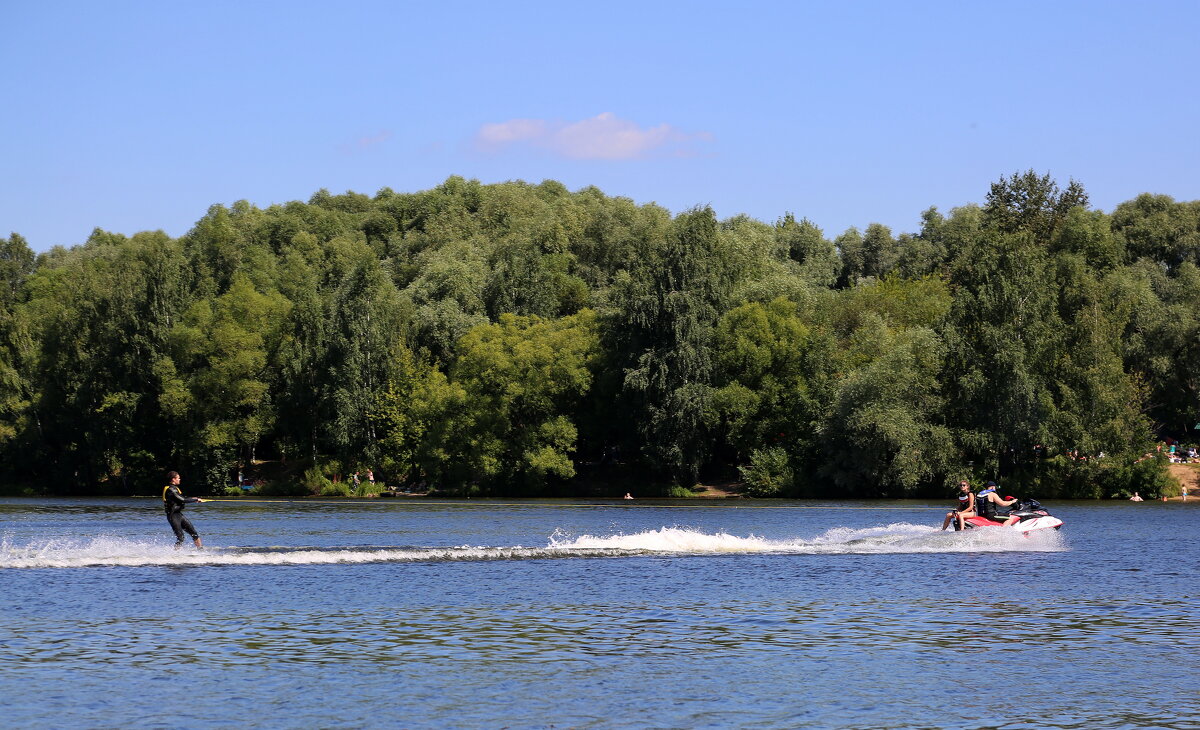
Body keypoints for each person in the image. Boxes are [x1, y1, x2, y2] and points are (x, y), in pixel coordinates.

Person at [163, 471, 205, 549]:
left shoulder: (175, 489)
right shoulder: (171, 490)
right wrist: (195, 499)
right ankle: (175, 553)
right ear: (173, 479)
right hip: (173, 516)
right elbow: (182, 499)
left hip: (179, 515)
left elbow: (183, 499)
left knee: (194, 534)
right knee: (181, 537)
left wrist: (194, 499)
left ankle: (201, 551)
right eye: (178, 478)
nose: (180, 479)